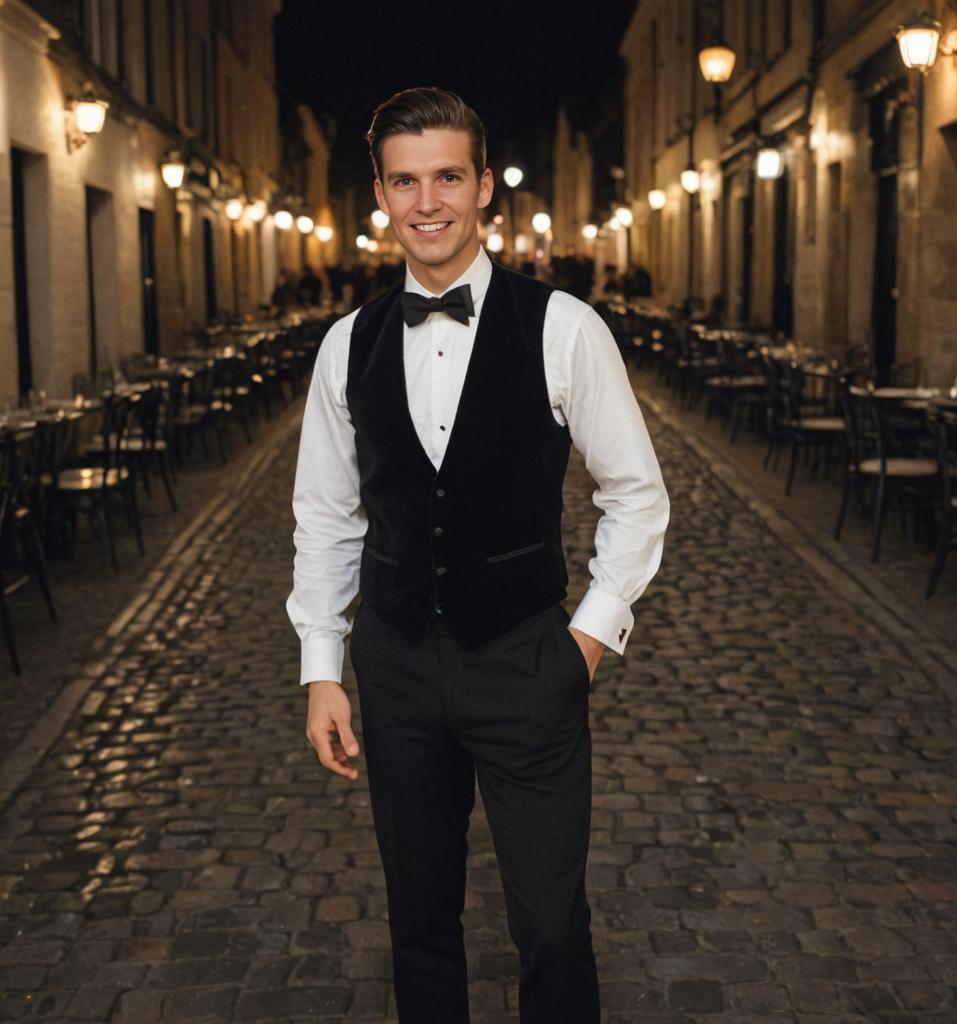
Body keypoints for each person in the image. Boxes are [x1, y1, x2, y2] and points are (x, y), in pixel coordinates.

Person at [286, 86, 669, 1024]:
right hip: (399, 667)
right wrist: (321, 670)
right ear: (380, 193)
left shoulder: (565, 327)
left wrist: (583, 644)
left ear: (484, 186)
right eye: (406, 181)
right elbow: (327, 517)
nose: (428, 203)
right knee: (418, 921)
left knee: (549, 923)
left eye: (448, 177)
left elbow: (637, 495)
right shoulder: (346, 346)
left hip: (526, 663)